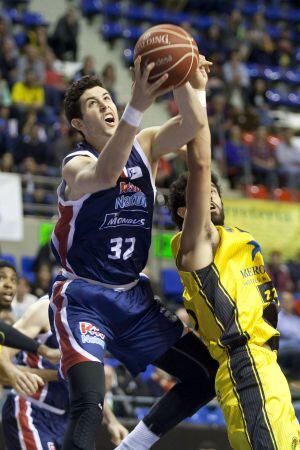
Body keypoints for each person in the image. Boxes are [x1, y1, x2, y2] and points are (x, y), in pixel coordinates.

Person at [50, 56, 218, 450]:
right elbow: (104, 177)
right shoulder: (76, 163)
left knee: (206, 375)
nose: (106, 105)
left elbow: (193, 125)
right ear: (78, 124)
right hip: (84, 298)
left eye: (108, 97)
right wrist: (137, 103)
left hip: (134, 299)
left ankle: (134, 445)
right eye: (94, 103)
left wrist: (191, 82)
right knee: (90, 406)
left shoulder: (145, 145)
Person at [167, 83, 300, 448]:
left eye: (213, 190)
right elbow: (201, 161)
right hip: (243, 364)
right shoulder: (194, 245)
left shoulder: (238, 239)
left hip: (269, 365)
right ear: (185, 212)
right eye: (200, 192)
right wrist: (194, 90)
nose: (209, 194)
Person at [1, 295, 129, 449]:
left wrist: (112, 420)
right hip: (33, 409)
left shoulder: (95, 318)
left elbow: (88, 379)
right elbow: (3, 360)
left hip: (69, 417)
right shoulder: (44, 309)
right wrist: (58, 374)